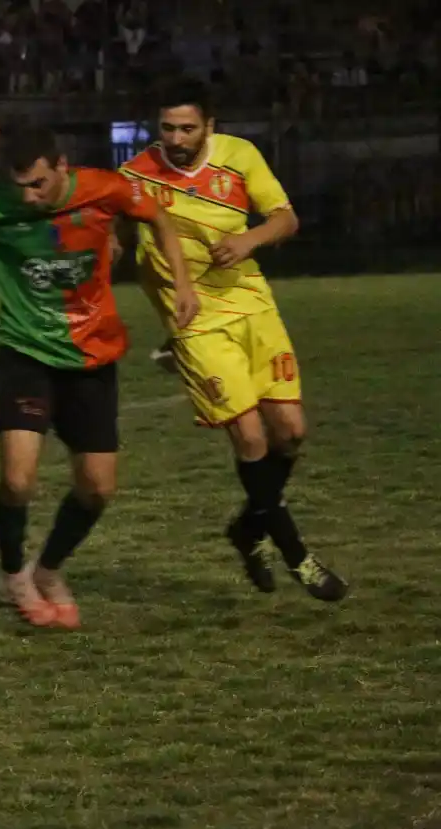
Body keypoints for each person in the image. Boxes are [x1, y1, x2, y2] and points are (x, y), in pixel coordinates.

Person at [0, 126, 198, 629]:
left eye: (39, 184)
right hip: (25, 353)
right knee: (17, 479)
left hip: (92, 358)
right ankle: (12, 574)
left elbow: (156, 215)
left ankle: (46, 570)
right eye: (20, 185)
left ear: (62, 167)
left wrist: (182, 284)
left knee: (97, 488)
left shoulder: (104, 188)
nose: (29, 196)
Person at [119, 77, 347, 601]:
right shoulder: (135, 177)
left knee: (290, 431)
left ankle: (248, 528)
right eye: (167, 128)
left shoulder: (239, 156)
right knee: (249, 437)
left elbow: (285, 218)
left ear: (210, 127)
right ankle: (299, 556)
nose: (176, 138)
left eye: (187, 128)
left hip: (253, 304)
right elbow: (122, 241)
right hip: (196, 321)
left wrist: (250, 239)